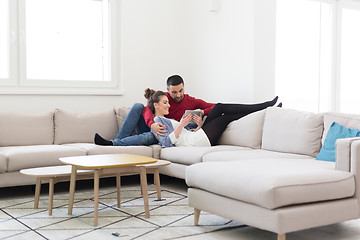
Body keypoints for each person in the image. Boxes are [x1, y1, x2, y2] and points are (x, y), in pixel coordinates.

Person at [145, 88, 278, 147]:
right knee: (226, 118)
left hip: (195, 136)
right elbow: (166, 143)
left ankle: (264, 106)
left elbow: (182, 136)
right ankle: (265, 108)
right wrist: (181, 124)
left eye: (167, 102)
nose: (168, 105)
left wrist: (198, 126)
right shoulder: (157, 121)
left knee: (219, 107)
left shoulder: (166, 120)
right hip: (195, 142)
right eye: (165, 103)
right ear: (156, 105)